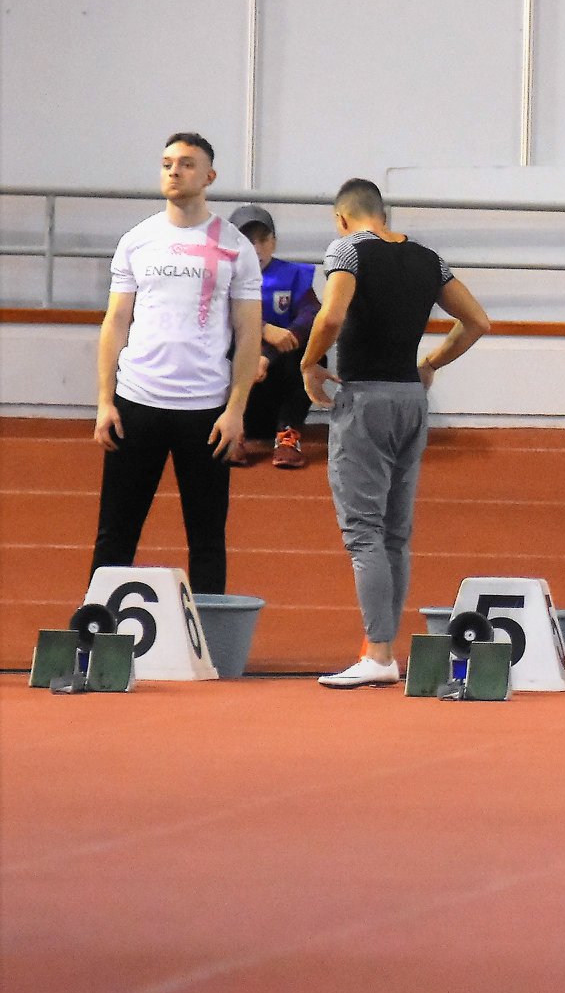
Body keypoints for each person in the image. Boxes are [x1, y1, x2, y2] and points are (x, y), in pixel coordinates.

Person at [301, 179, 489, 688]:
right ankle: (383, 649)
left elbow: (332, 315)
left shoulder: (346, 250)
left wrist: (309, 363)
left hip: (365, 400)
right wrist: (431, 363)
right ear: (382, 213)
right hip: (410, 399)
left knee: (363, 532)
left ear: (342, 218)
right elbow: (476, 321)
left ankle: (379, 652)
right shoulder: (429, 259)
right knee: (394, 534)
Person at [90, 132, 262, 594]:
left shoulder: (234, 247)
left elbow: (249, 333)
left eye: (186, 163)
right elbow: (115, 322)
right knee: (115, 533)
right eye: (167, 162)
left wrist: (236, 410)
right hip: (137, 404)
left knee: (207, 538)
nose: (174, 171)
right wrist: (105, 401)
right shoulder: (137, 240)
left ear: (209, 176)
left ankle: (209, 632)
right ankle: (95, 626)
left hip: (205, 412)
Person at [228, 204, 321, 469]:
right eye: (248, 240)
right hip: (238, 378)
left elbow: (311, 314)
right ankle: (233, 431)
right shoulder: (221, 276)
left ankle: (287, 436)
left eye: (263, 239)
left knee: (311, 353)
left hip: (278, 379)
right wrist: (263, 330)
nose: (256, 248)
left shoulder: (292, 275)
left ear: (274, 242)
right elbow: (218, 316)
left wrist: (267, 355)